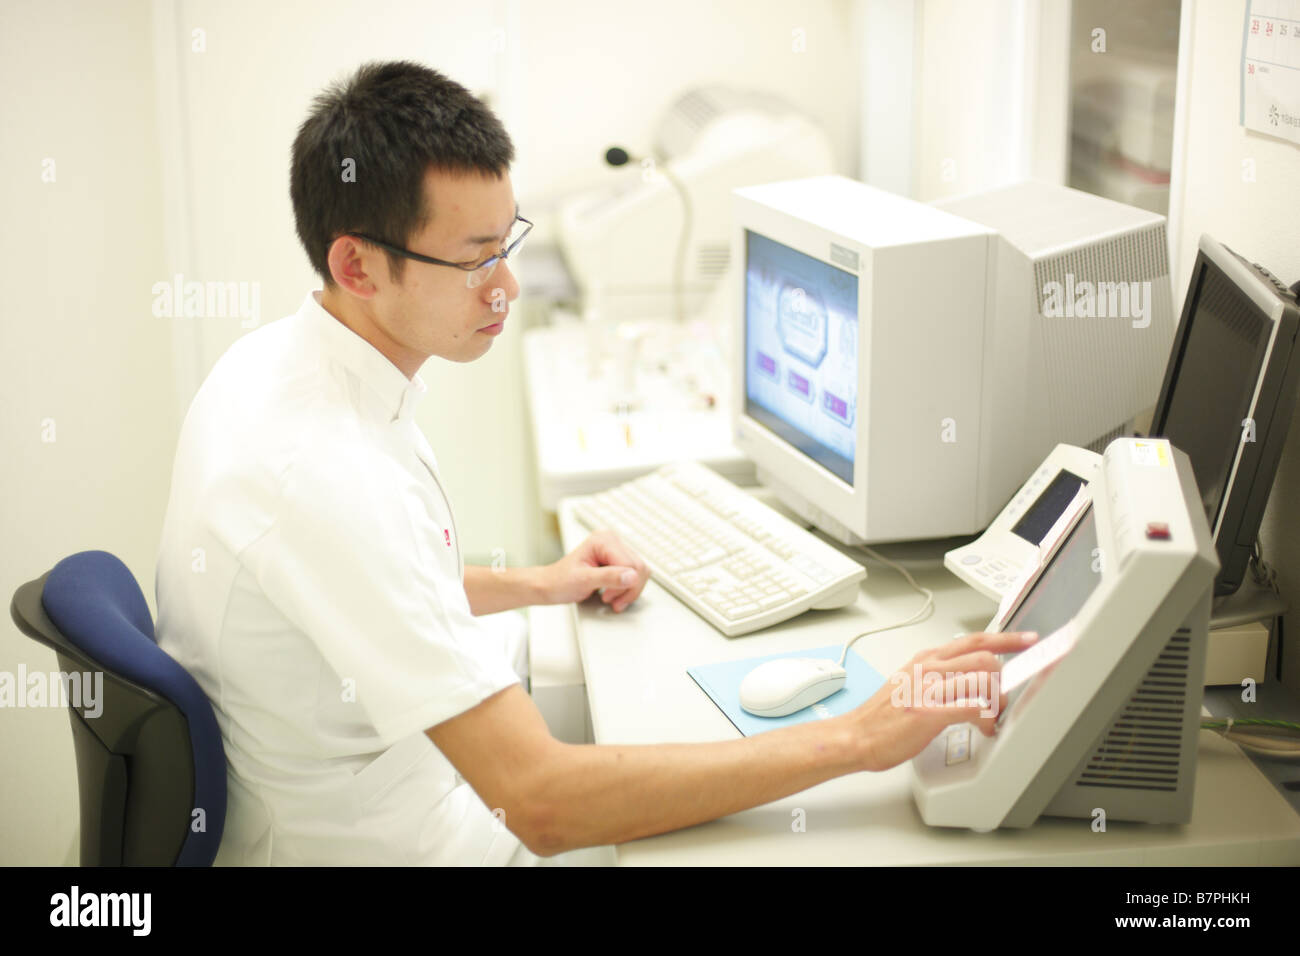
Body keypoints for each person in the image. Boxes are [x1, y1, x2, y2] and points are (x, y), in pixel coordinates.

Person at [156, 59, 1028, 866]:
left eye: (508, 243)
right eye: (473, 260)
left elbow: (374, 589)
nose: (508, 286)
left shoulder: (277, 365)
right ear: (356, 263)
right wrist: (861, 740)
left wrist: (540, 583)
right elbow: (540, 803)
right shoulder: (321, 472)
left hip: (384, 785)